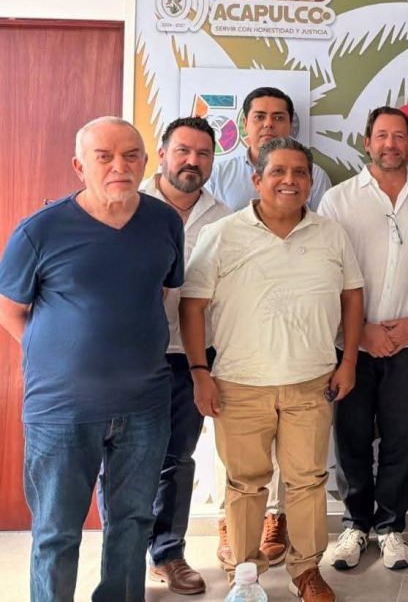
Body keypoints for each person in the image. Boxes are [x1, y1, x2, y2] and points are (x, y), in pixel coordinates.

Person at [0, 117, 183, 602]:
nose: (119, 166)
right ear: (80, 166)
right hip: (61, 411)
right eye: (104, 157)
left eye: (131, 155)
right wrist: (57, 357)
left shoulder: (165, 222)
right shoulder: (40, 231)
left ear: (146, 162)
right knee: (56, 531)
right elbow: (9, 308)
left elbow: (161, 290)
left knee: (132, 522)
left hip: (145, 406)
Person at [180, 137, 364, 602]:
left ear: (310, 182)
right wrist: (200, 371)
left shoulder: (331, 233)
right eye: (278, 171)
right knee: (245, 484)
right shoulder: (222, 233)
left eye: (300, 172)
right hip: (239, 383)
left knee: (307, 481)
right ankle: (245, 577)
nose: (289, 180)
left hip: (312, 381)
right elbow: (192, 305)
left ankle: (306, 571)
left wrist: (348, 361)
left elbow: (352, 296)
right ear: (256, 180)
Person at [203, 86, 333, 564]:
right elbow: (198, 291)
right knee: (238, 464)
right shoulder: (218, 181)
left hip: (300, 350)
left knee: (303, 468)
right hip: (234, 344)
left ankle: (281, 528)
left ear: (291, 125)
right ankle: (236, 536)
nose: (269, 124)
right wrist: (200, 366)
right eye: (259, 116)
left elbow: (318, 247)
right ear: (244, 125)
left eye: (279, 117)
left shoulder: (316, 182)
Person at [318, 108, 408, 573]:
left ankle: (391, 528)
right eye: (381, 136)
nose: (390, 144)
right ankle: (355, 525)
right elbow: (325, 271)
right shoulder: (338, 200)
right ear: (367, 142)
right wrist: (358, 332)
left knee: (402, 435)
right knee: (350, 435)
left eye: (399, 136)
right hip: (351, 343)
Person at [140, 117, 231, 595]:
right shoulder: (130, 203)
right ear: (162, 154)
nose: (192, 161)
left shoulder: (224, 218)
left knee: (177, 457)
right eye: (183, 151)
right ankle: (123, 551)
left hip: (192, 355)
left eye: (203, 154)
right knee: (123, 457)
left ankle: (168, 553)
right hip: (131, 354)